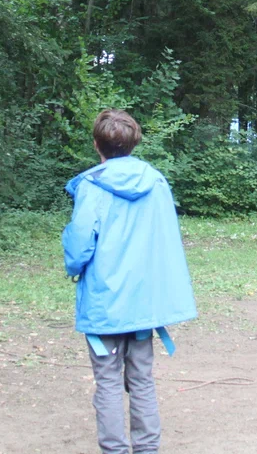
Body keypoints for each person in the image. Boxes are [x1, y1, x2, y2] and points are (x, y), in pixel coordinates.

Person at [63, 109, 197, 454]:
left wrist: (72, 263)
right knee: (141, 378)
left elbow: (79, 245)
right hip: (143, 301)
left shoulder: (92, 186)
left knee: (108, 380)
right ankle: (147, 448)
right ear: (134, 143)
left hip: (105, 301)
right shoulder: (156, 182)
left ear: (97, 145)